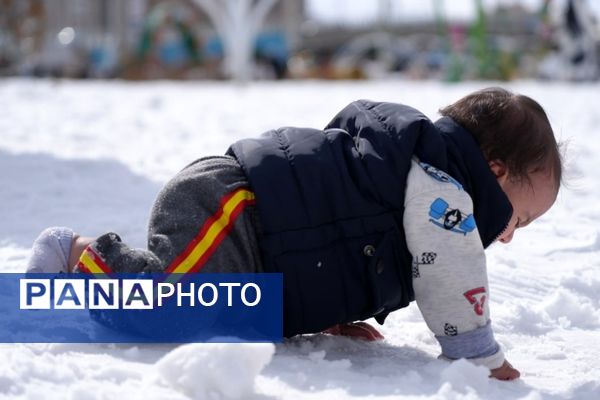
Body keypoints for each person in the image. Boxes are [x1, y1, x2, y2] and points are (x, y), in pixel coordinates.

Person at [27, 87, 562, 381]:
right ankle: (74, 254)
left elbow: (346, 234)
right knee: (176, 308)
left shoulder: (423, 181)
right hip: (233, 207)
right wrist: (476, 353)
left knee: (235, 325)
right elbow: (449, 268)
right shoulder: (443, 189)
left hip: (266, 245)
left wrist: (330, 306)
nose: (510, 235)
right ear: (495, 172)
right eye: (522, 218)